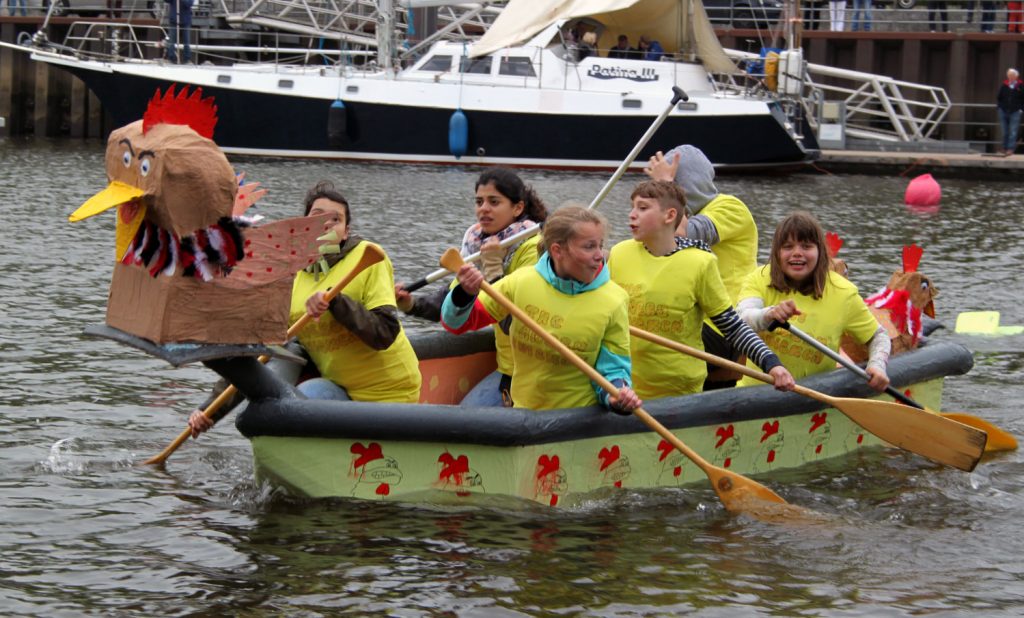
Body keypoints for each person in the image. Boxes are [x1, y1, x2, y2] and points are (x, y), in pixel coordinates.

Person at [188, 181, 422, 436]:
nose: (327, 223)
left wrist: (336, 302)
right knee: (292, 407)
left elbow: (385, 333)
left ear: (345, 232)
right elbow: (257, 350)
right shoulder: (292, 278)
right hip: (342, 389)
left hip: (392, 392)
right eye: (317, 216)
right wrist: (210, 410)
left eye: (336, 219)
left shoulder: (369, 257)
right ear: (303, 227)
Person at [440, 206, 641, 413]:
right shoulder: (521, 282)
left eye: (600, 245)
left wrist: (617, 394)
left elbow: (614, 370)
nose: (600, 256)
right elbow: (456, 324)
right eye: (589, 247)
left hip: (577, 421)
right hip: (523, 415)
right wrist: (465, 292)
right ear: (557, 250)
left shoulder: (615, 300)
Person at [607, 180, 795, 398]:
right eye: (632, 207)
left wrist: (772, 364)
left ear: (669, 216)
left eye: (642, 208)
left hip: (678, 390)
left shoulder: (701, 263)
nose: (632, 214)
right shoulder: (619, 254)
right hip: (625, 385)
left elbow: (732, 327)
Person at [395, 168, 547, 407]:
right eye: (479, 201)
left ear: (517, 208)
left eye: (494, 202)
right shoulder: (477, 243)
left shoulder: (534, 248)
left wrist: (494, 268)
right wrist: (410, 304)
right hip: (508, 368)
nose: (483, 209)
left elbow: (517, 320)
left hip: (537, 371)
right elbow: (454, 301)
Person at [644, 145, 759, 389]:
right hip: (686, 318)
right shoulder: (673, 215)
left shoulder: (730, 207)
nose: (659, 196)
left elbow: (685, 233)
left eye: (671, 186)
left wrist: (666, 185)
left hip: (724, 327)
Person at [735, 211, 891, 391]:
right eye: (788, 247)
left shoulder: (843, 292)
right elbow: (741, 320)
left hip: (814, 397)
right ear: (776, 253)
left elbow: (878, 336)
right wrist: (768, 315)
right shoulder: (759, 278)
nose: (797, 254)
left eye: (806, 246)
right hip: (756, 394)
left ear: (820, 252)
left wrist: (877, 364)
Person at [997, 68, 1024, 155]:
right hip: (1004, 110)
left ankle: (1010, 149)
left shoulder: (1020, 86)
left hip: (1015, 111)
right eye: (1009, 75)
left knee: (1013, 131)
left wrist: (1021, 109)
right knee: (1005, 131)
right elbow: (999, 97)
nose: (1010, 77)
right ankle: (1004, 148)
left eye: (1012, 75)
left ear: (1016, 76)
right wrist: (999, 107)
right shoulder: (1004, 85)